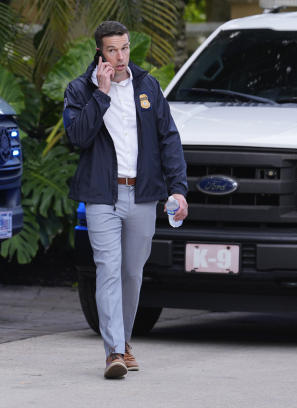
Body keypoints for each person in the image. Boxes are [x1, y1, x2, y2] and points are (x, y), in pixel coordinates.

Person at [62, 20, 188, 379]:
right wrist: (101, 95)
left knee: (132, 273)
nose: (120, 57)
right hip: (102, 195)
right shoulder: (80, 90)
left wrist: (178, 188)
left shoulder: (147, 86)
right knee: (108, 269)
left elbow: (169, 139)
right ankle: (114, 351)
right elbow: (78, 138)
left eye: (125, 48)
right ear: (99, 52)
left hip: (143, 194)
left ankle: (125, 341)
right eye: (112, 50)